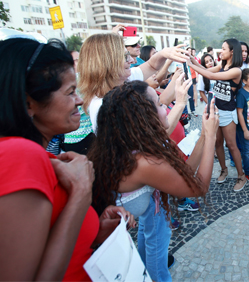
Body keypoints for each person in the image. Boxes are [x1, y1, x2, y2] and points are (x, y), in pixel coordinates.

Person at [0, 38, 135, 281]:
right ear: (29, 103)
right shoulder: (15, 156)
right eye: (70, 92)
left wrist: (93, 230)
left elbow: (39, 245)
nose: (79, 100)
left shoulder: (30, 155)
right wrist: (81, 194)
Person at [91, 80, 219, 282]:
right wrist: (211, 136)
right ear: (143, 116)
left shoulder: (135, 144)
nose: (166, 108)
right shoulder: (142, 162)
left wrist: (203, 134)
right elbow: (198, 187)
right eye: (160, 104)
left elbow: (183, 172)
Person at [78, 32, 188, 132]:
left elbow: (151, 65)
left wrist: (164, 53)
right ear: (107, 62)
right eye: (125, 57)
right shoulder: (104, 108)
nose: (131, 61)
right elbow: (154, 139)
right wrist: (180, 104)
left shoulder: (122, 78)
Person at [188, 39, 247, 192]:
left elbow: (210, 76)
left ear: (232, 51)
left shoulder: (236, 70)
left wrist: (191, 65)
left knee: (232, 145)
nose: (221, 52)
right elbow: (205, 70)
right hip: (216, 110)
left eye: (223, 49)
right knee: (217, 142)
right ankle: (223, 170)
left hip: (228, 112)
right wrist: (191, 59)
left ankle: (241, 176)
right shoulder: (223, 65)